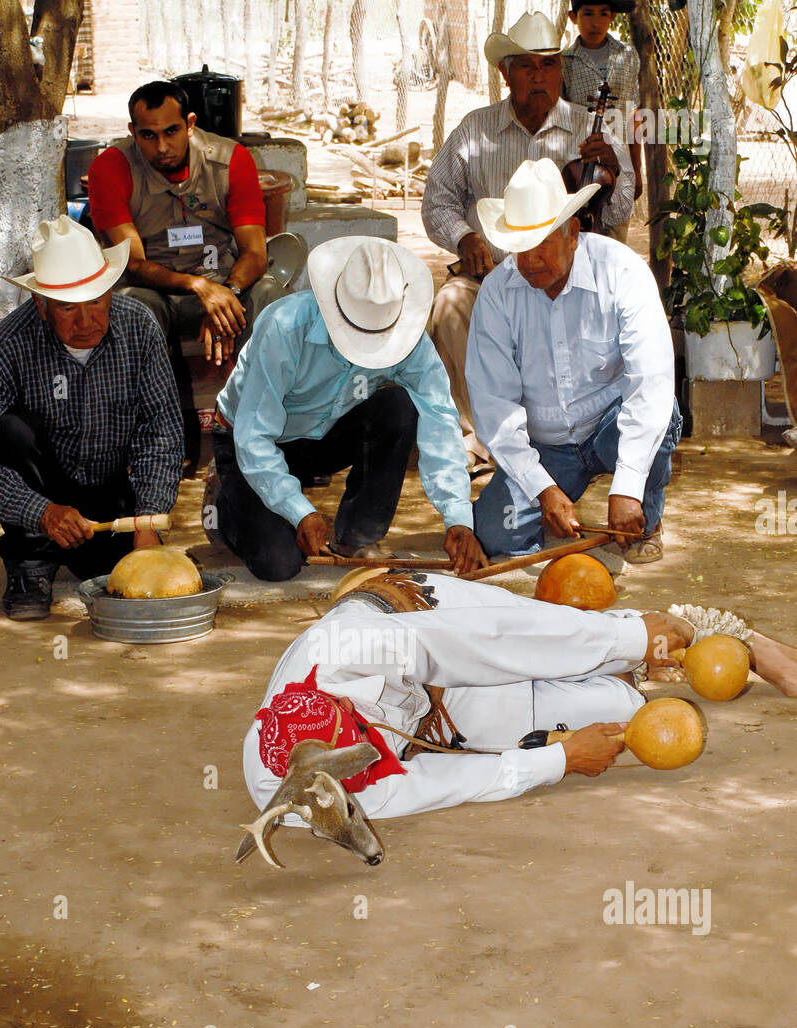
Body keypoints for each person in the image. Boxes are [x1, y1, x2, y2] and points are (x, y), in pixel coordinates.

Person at [241, 574, 797, 844]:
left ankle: (733, 638)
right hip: (428, 716)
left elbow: (497, 639)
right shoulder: (323, 798)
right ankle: (632, 667)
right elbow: (439, 780)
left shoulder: (344, 651)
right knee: (621, 702)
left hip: (429, 617)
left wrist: (625, 635)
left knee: (609, 646)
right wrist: (561, 760)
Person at [421, 11, 635, 472]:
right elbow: (436, 202)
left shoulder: (590, 130)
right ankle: (484, 441)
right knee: (451, 303)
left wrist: (611, 177)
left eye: (550, 65)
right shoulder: (474, 130)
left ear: (561, 71)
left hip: (563, 283)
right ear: (505, 73)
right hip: (495, 281)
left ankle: (571, 439)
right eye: (527, 67)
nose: (540, 78)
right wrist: (464, 238)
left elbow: (621, 213)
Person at [208, 235, 488, 582]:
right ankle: (226, 498)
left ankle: (355, 537)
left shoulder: (408, 333)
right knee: (279, 563)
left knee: (399, 406)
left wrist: (458, 517)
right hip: (248, 440)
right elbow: (254, 437)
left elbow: (439, 417)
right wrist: (301, 513)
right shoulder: (284, 327)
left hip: (325, 432)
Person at [0, 216, 183, 621]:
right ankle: (31, 564)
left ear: (110, 290)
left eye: (96, 301)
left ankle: (95, 546)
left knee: (116, 577)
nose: (86, 322)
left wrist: (147, 518)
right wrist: (40, 510)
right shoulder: (9, 343)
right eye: (68, 308)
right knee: (10, 431)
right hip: (39, 493)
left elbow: (162, 431)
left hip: (109, 499)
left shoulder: (140, 326)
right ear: (41, 304)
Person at [466, 159, 679, 565]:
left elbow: (650, 383)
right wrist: (541, 487)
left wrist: (628, 484)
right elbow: (494, 406)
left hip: (609, 428)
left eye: (542, 243)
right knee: (496, 534)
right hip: (544, 445)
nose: (528, 262)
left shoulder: (622, 272)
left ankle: (643, 514)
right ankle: (558, 498)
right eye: (519, 247)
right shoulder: (497, 293)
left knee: (662, 411)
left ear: (574, 233)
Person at [87, 80, 282, 368]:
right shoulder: (110, 168)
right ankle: (149, 406)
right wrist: (198, 286)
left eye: (171, 131)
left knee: (269, 294)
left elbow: (255, 253)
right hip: (153, 291)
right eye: (148, 135)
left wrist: (228, 294)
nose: (162, 147)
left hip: (223, 280)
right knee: (130, 308)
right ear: (133, 132)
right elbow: (133, 265)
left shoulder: (232, 160)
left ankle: (255, 401)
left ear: (189, 124)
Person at [562, 2, 643, 243]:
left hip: (617, 163)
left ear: (613, 16)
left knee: (615, 235)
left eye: (603, 14)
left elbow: (633, 115)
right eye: (587, 14)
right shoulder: (565, 61)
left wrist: (636, 169)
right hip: (579, 166)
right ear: (572, 17)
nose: (595, 22)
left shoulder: (627, 56)